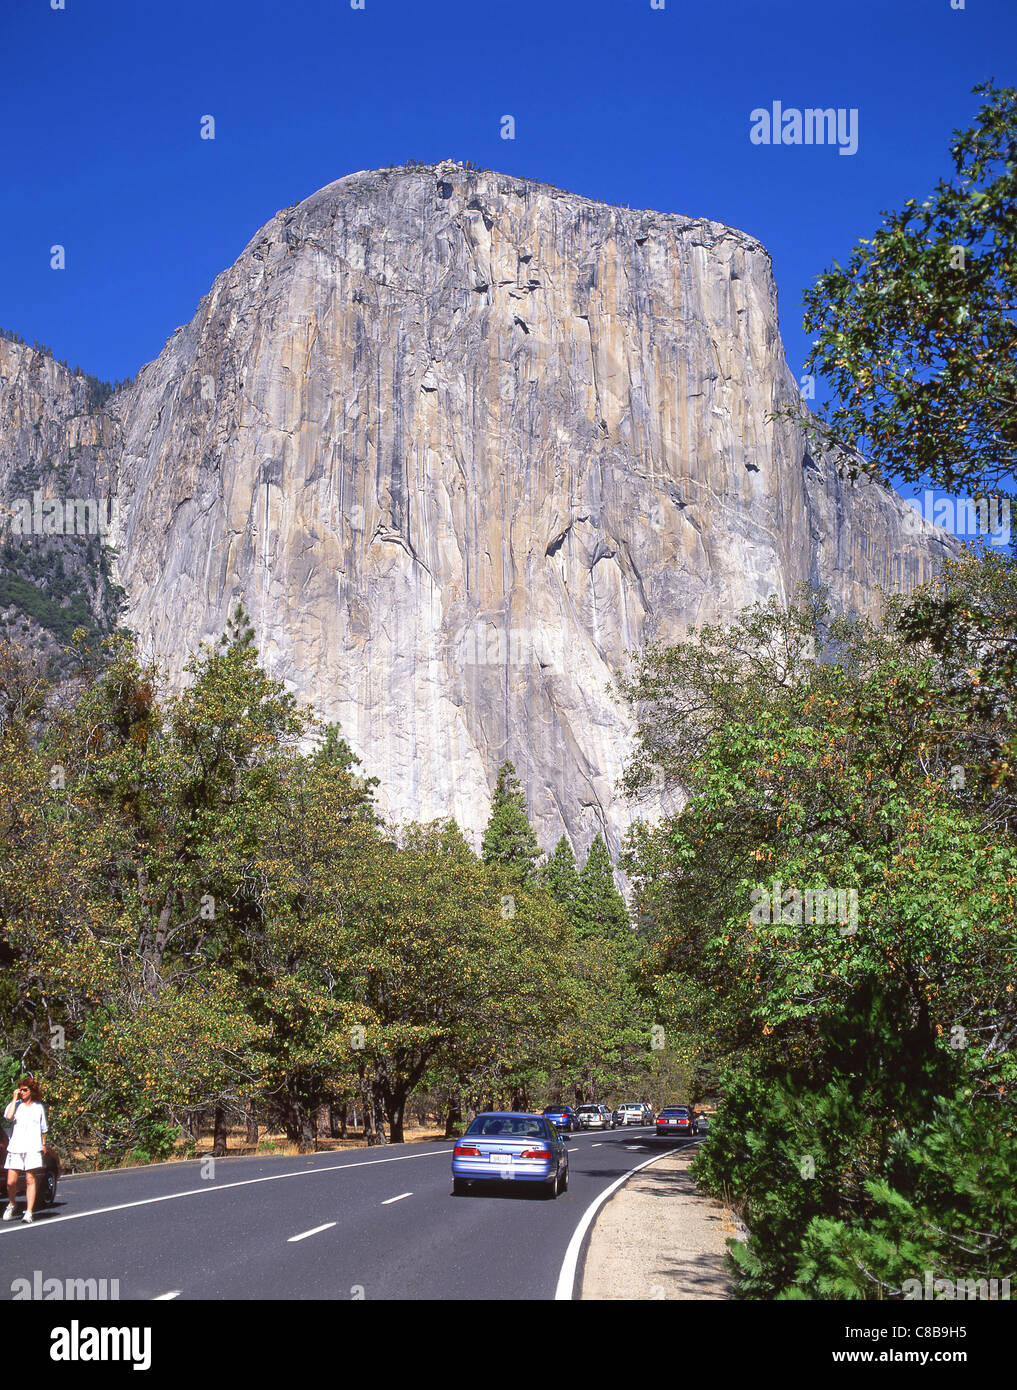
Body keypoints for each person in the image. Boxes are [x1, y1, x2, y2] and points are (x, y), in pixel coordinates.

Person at [3, 1076, 48, 1224]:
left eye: (24, 1090)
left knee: (30, 1179)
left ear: (32, 1091)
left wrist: (43, 1144)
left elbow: (43, 1129)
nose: (22, 1092)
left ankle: (28, 1212)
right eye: (20, 1089)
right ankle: (11, 1204)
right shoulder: (15, 1106)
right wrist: (14, 1097)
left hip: (32, 1148)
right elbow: (8, 1117)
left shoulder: (38, 1108)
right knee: (11, 1182)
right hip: (16, 1147)